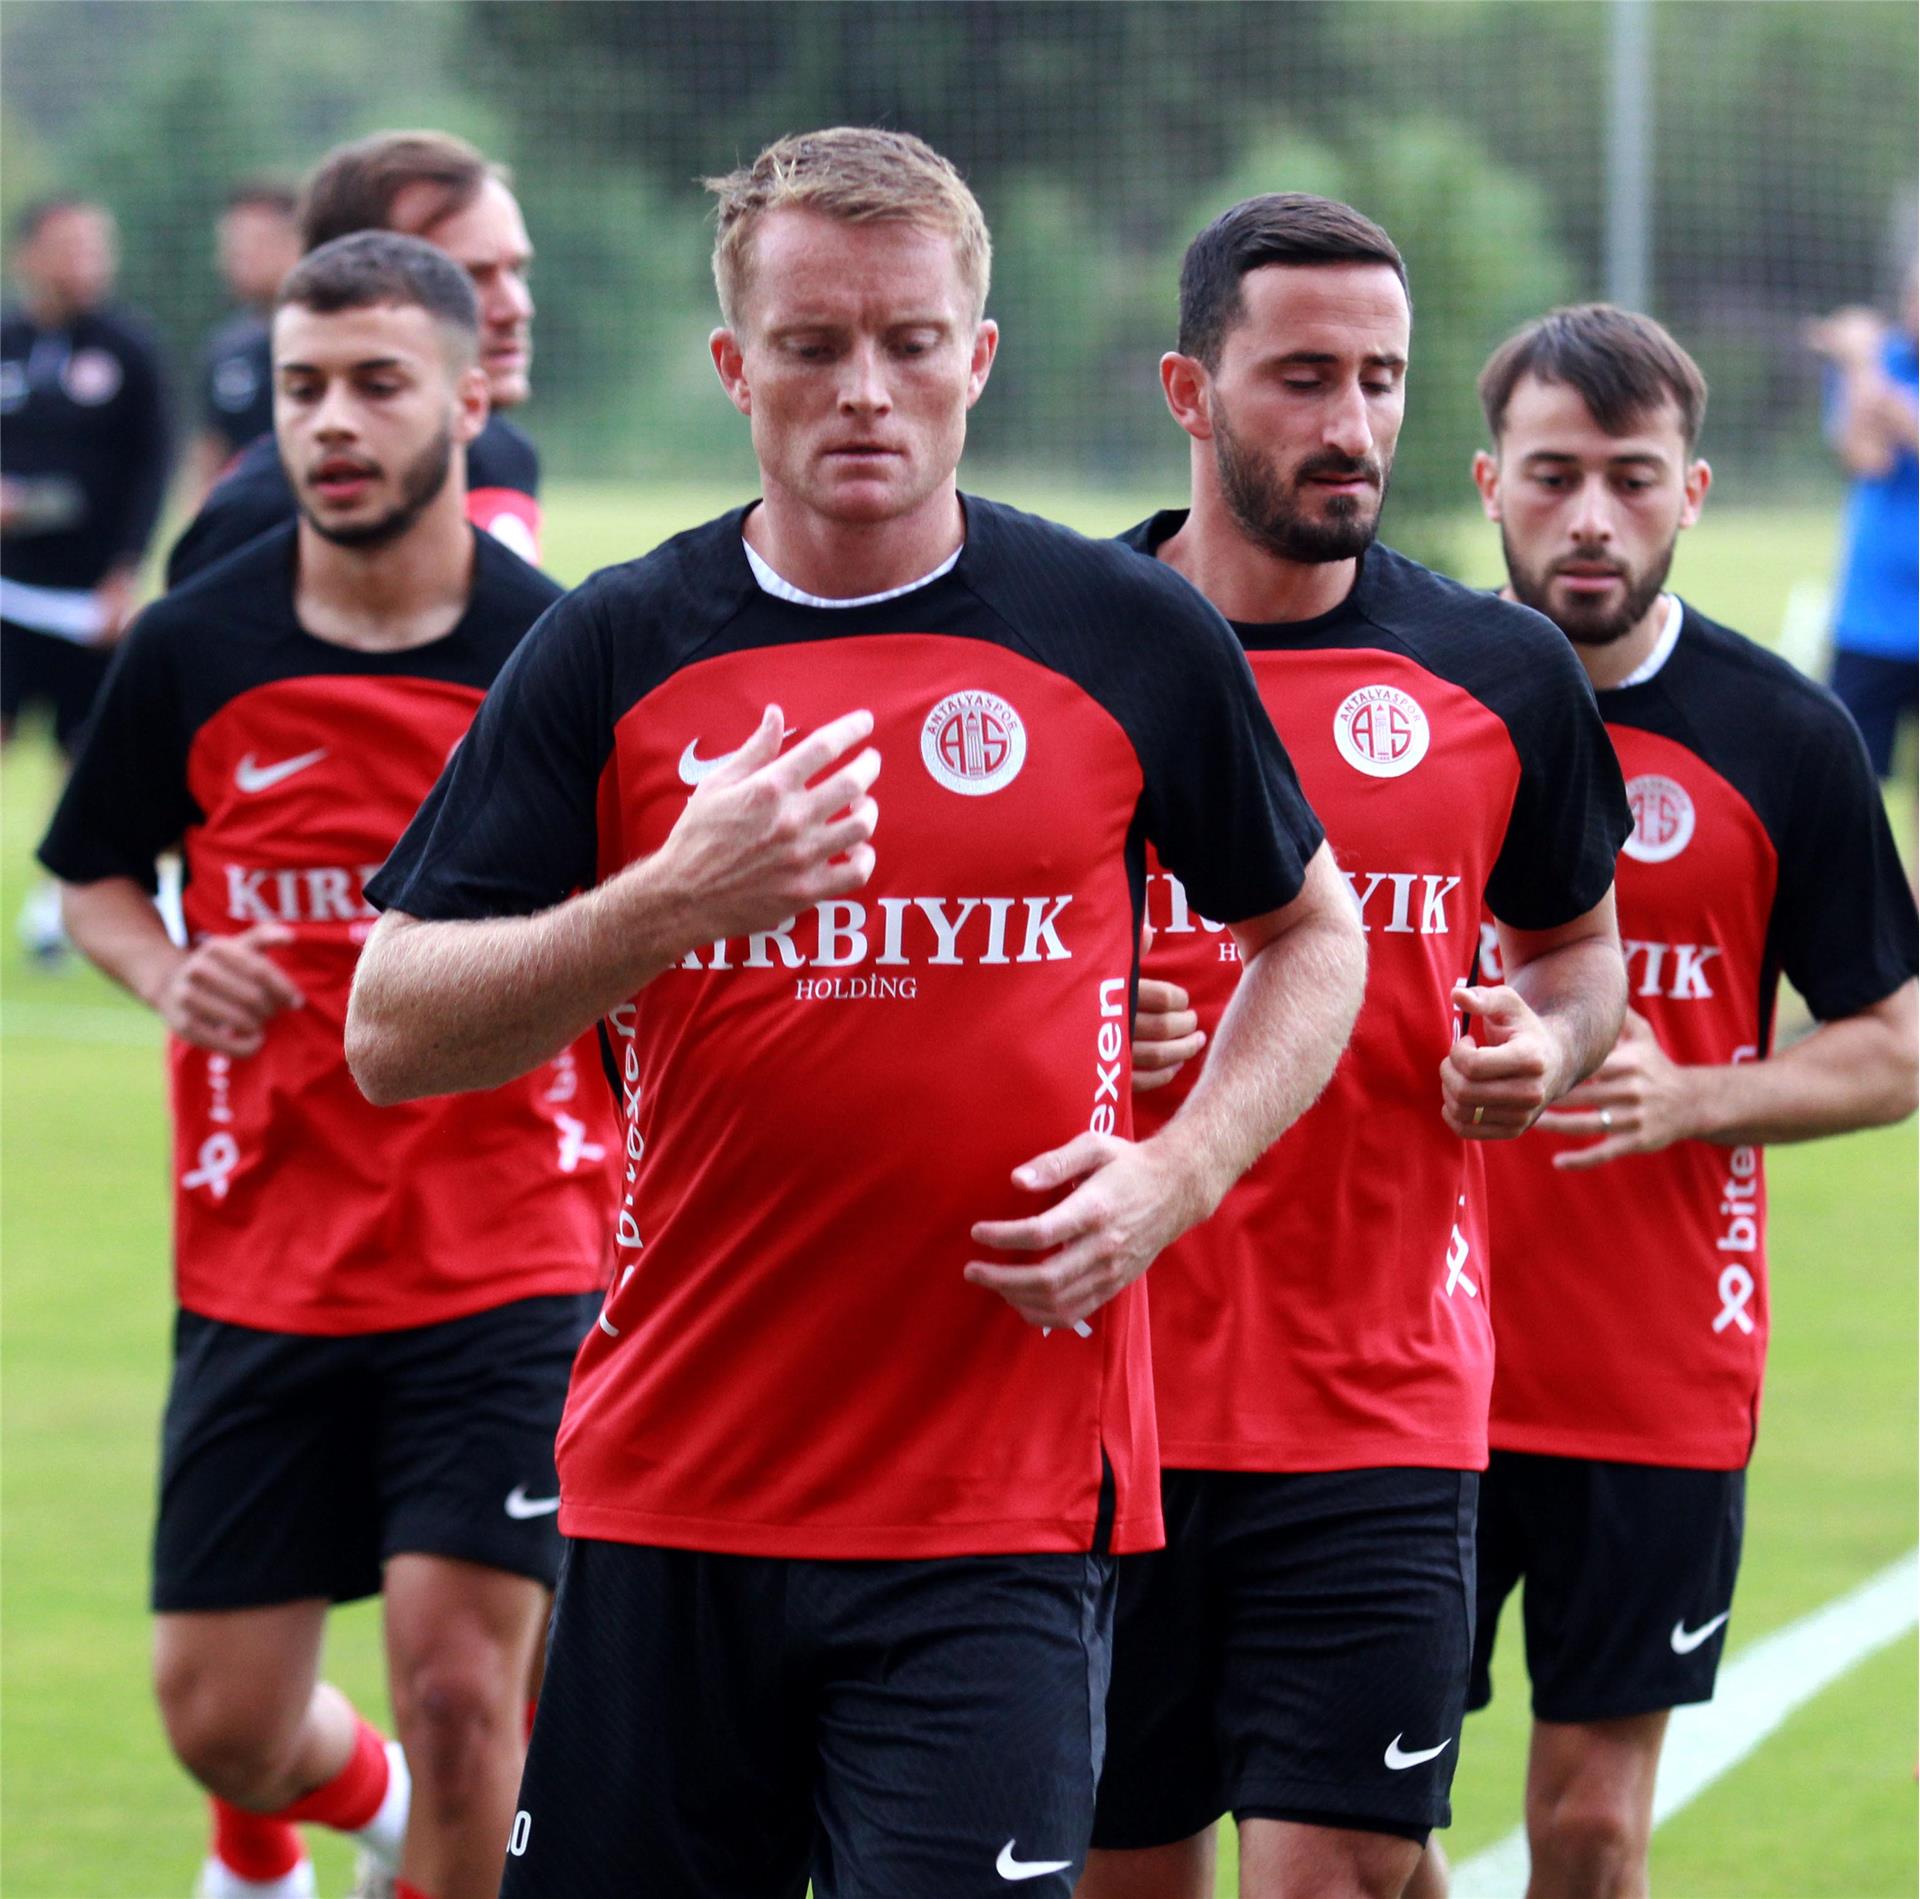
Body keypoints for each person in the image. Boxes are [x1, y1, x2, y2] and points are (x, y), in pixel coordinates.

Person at [346, 127, 1367, 1898]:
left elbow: (1314, 932)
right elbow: (391, 1024)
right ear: (736, 365)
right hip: (674, 1486)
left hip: (1000, 1510)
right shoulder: (616, 645)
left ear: (980, 354)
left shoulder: (1123, 632)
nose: (866, 390)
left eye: (910, 341)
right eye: (812, 345)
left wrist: (1180, 1169)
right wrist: (670, 898)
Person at [38, 233, 619, 1899]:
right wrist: (168, 965)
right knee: (222, 1717)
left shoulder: (557, 652)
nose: (333, 422)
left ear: (470, 397)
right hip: (265, 1253)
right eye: (303, 388)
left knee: (465, 1689)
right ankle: (374, 1815)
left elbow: (641, 925)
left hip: (509, 1249)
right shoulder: (193, 644)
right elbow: (93, 872)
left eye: (377, 383)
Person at [1080, 198, 1631, 1899]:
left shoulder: (1499, 668)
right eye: (1304, 377)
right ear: (1190, 388)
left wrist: (1542, 1046)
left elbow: (1579, 955)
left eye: (1382, 379)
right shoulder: (1059, 648)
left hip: (1380, 1404)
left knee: (1332, 1866)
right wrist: (1091, 1026)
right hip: (1096, 1405)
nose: (1353, 424)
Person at [1422, 304, 1917, 1899]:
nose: (1591, 516)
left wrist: (1700, 1092)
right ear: (1491, 480)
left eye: (1631, 478)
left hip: (1652, 1372)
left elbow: (1897, 1042)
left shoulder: (1787, 734)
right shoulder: (1402, 702)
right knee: (1353, 1824)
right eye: (1554, 473)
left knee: (1588, 1828)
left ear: (1691, 490)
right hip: (1401, 1365)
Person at [168, 131, 541, 585]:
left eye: (516, 270)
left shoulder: (506, 455)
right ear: (347, 284)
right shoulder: (251, 522)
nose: (516, 307)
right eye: (469, 277)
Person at [2, 195, 171, 957]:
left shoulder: (129, 348)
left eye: (98, 247)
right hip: (7, 591)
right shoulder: (6, 340)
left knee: (83, 753)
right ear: (29, 255)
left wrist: (125, 572)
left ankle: (53, 908)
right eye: (72, 246)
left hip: (88, 599)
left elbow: (153, 467)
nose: (89, 262)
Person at [1806, 268, 1919, 788]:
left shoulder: (1869, 364)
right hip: (1871, 618)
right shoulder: (1879, 361)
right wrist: (1861, 365)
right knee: (1850, 781)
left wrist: (1861, 363)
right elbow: (1866, 457)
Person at [183, 183, 303, 504]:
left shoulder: (336, 343)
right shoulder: (226, 349)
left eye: (250, 245)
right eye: (230, 248)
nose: (233, 259)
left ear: (295, 244)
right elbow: (210, 455)